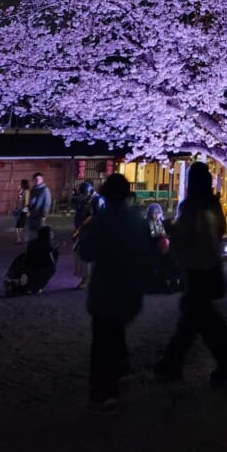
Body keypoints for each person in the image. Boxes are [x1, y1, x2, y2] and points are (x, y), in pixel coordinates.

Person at [154, 161, 227, 387]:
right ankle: (174, 365)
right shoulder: (214, 205)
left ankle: (174, 366)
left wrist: (170, 228)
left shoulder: (190, 207)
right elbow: (220, 231)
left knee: (199, 323)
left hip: (196, 270)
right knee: (199, 323)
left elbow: (184, 237)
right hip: (211, 267)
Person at [79, 173, 152, 414]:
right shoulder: (137, 220)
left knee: (102, 340)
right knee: (116, 330)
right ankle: (121, 371)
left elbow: (87, 252)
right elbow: (146, 251)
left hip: (106, 286)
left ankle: (105, 392)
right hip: (129, 286)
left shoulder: (103, 220)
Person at [72, 182, 104, 289]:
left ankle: (88, 279)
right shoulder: (84, 200)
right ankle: (86, 278)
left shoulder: (97, 200)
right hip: (83, 232)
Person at [14, 178, 31, 243]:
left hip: (24, 211)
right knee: (19, 226)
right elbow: (19, 200)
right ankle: (19, 238)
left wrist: (25, 210)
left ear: (24, 184)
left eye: (21, 183)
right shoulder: (22, 191)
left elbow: (26, 201)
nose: (20, 184)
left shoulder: (26, 191)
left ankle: (21, 239)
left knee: (21, 225)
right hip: (20, 210)